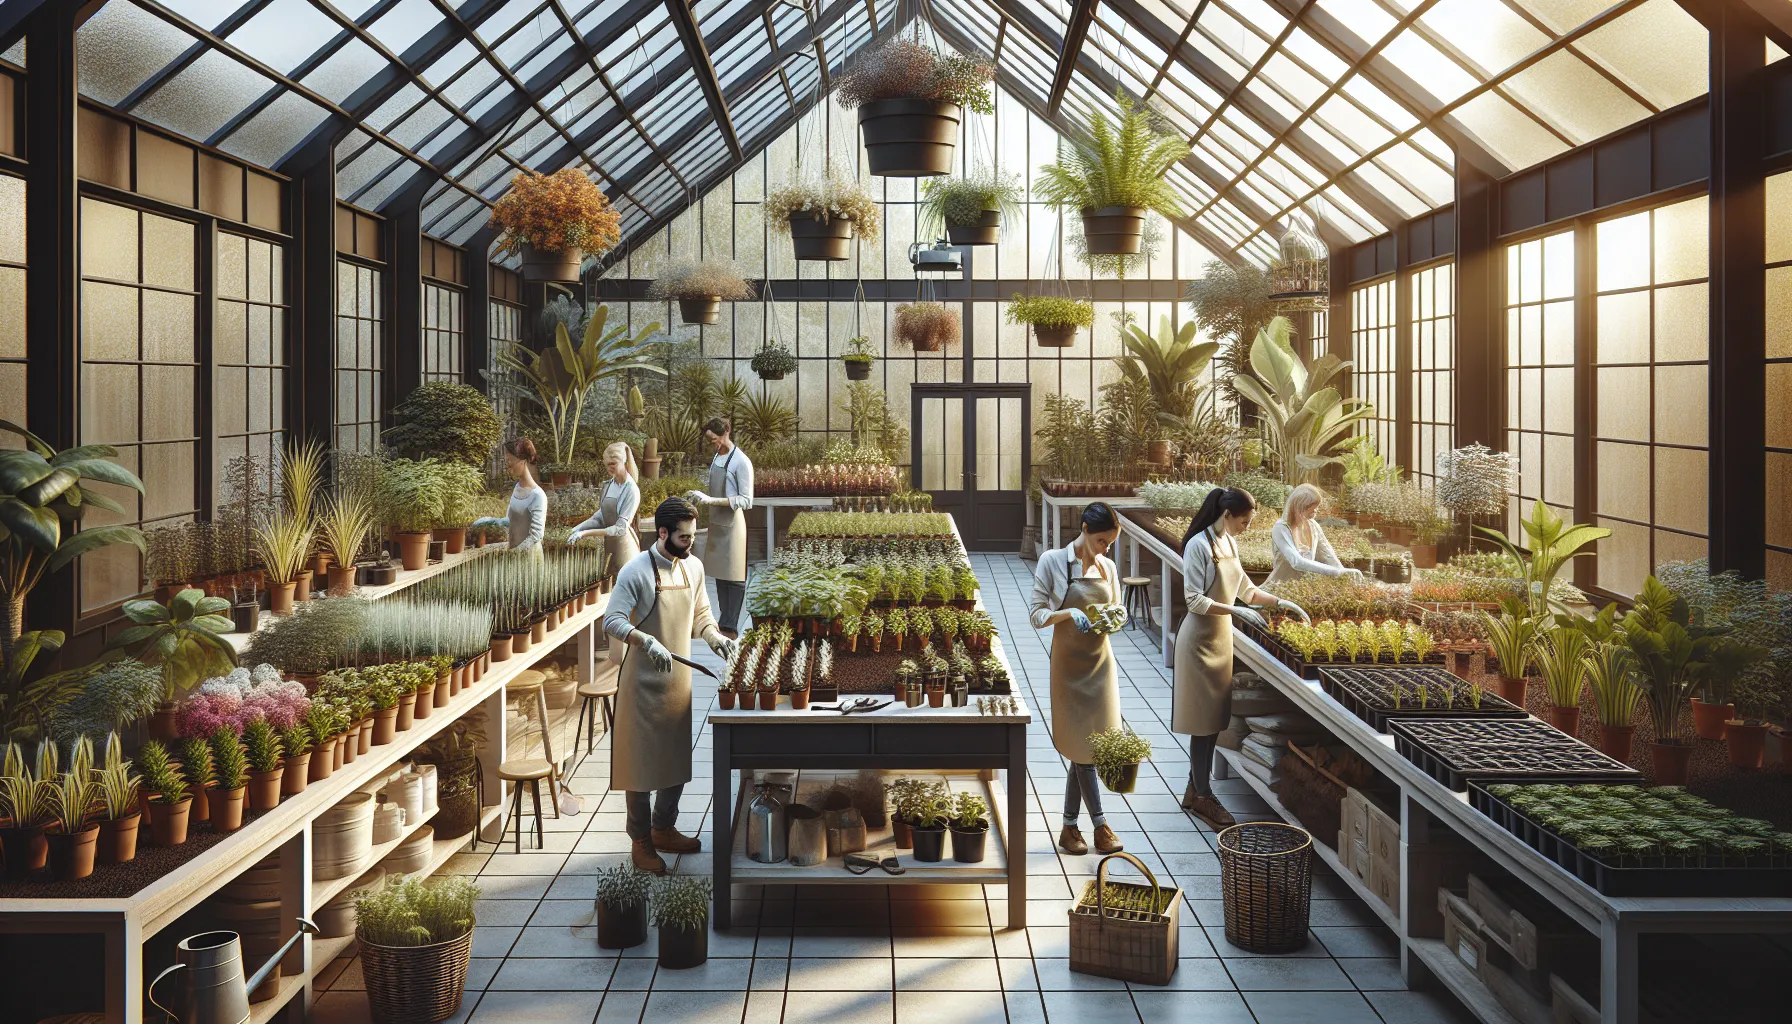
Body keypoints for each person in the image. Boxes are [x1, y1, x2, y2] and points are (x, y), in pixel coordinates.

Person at [603, 497, 740, 874]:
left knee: (675, 761)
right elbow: (612, 619)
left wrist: (714, 637)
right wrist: (644, 640)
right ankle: (641, 840)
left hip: (677, 682)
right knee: (640, 767)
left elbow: (702, 614)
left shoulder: (693, 567)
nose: (691, 543)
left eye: (693, 536)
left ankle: (663, 828)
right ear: (662, 533)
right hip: (641, 686)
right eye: (684, 537)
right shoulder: (635, 572)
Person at [1173, 487, 1308, 829]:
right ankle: (1203, 795)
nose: (1246, 528)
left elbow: (1247, 590)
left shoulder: (1229, 543)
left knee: (1215, 720)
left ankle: (1195, 789)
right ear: (1227, 515)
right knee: (1202, 723)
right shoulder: (1198, 546)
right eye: (1244, 522)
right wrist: (1235, 611)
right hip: (1199, 641)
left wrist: (1281, 602)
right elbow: (1193, 600)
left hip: (1221, 639)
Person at [1029, 502, 1127, 857]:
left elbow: (1116, 607)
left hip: (1100, 664)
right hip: (1069, 667)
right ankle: (1100, 825)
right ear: (1084, 528)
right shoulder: (1053, 561)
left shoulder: (1108, 567)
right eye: (1102, 541)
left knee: (1087, 746)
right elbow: (1036, 615)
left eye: (1110, 543)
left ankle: (1070, 828)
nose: (1106, 549)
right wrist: (1068, 612)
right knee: (1083, 747)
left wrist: (1117, 617)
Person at [570, 441, 643, 665]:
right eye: (607, 464)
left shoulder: (631, 489)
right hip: (610, 549)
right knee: (611, 601)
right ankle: (615, 655)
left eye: (613, 463)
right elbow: (600, 516)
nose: (609, 468)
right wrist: (577, 528)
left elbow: (620, 528)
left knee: (625, 604)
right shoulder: (608, 485)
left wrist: (586, 534)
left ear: (624, 462)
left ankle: (628, 656)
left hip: (625, 550)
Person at [687, 417, 754, 636]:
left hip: (733, 525)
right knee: (720, 575)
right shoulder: (718, 457)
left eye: (714, 439)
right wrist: (700, 498)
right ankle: (724, 622)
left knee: (734, 576)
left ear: (726, 433)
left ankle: (730, 626)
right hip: (717, 523)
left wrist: (711, 500)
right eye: (709, 440)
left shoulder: (741, 462)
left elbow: (746, 500)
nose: (712, 444)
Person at [1265, 483, 1365, 586]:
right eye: (1312, 507)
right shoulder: (1281, 528)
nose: (1316, 510)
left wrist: (1344, 574)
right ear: (1300, 507)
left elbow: (1328, 555)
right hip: (1281, 587)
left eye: (1316, 507)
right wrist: (1337, 572)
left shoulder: (1313, 525)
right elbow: (1297, 562)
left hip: (1305, 587)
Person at [502, 438, 546, 553]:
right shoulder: (517, 489)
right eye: (507, 463)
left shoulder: (538, 495)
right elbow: (509, 521)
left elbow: (536, 535)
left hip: (530, 555)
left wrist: (515, 552)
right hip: (514, 553)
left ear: (523, 461)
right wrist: (490, 522)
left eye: (511, 462)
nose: (509, 467)